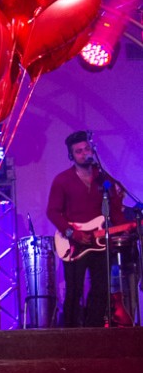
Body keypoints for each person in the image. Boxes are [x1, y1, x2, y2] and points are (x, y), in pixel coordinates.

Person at [47, 131, 125, 327]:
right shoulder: (62, 180)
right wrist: (71, 232)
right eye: (79, 151)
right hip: (73, 243)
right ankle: (70, 334)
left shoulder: (104, 180)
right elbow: (53, 212)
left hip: (99, 243)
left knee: (101, 288)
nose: (84, 154)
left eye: (87, 149)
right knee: (74, 291)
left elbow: (115, 209)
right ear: (71, 156)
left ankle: (94, 329)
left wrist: (124, 227)